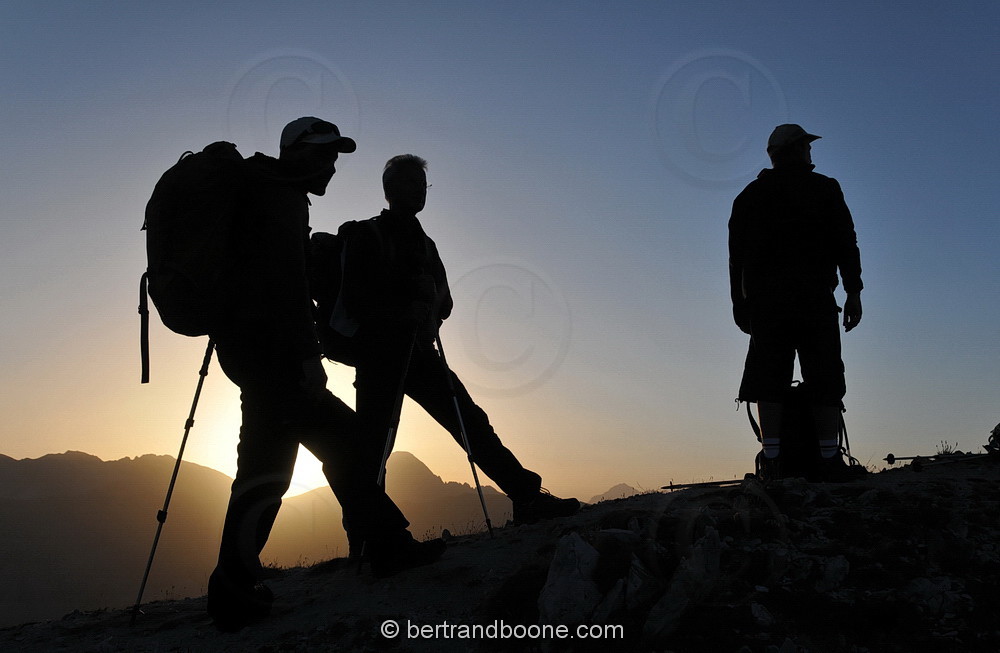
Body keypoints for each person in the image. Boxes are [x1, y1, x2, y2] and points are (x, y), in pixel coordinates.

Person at [207, 121, 444, 631]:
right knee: (286, 465)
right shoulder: (282, 200)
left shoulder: (266, 194)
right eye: (325, 156)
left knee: (297, 460)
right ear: (297, 154)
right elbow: (287, 289)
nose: (332, 166)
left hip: (253, 354)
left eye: (335, 157)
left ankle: (384, 547)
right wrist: (307, 359)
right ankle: (232, 589)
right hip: (277, 360)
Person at [329, 154, 579, 539]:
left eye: (422, 184)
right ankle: (368, 536)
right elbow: (356, 301)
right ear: (391, 189)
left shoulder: (422, 242)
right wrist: (409, 305)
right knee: (377, 447)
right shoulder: (368, 236)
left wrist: (428, 307)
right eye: (412, 183)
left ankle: (526, 496)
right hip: (381, 356)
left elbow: (444, 302)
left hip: (413, 353)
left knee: (465, 425)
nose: (419, 191)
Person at [728, 124, 864, 482]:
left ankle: (773, 461)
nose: (810, 152)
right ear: (795, 150)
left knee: (769, 379)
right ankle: (829, 459)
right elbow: (845, 243)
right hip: (813, 300)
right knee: (826, 377)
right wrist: (853, 291)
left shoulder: (749, 197)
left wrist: (740, 307)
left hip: (768, 306)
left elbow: (735, 260)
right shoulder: (824, 189)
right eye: (806, 146)